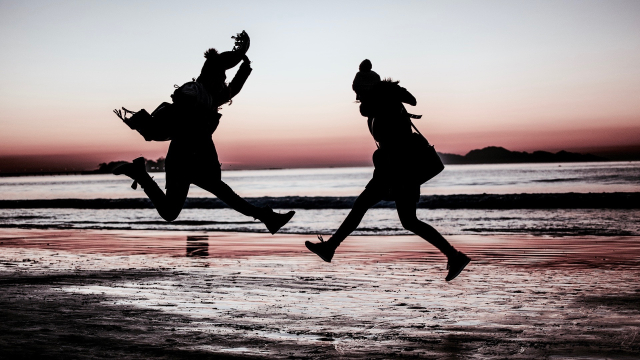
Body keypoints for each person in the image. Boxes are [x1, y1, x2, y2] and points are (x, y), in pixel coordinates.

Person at [112, 31, 295, 234]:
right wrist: (238, 55)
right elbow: (189, 94)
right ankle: (140, 175)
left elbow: (233, 89)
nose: (224, 80)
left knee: (206, 196)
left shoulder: (209, 98)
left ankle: (267, 217)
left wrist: (245, 65)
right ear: (212, 76)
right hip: (183, 157)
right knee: (184, 206)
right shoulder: (194, 91)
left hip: (195, 156)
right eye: (221, 76)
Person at [305, 62, 470, 281]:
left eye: (359, 91)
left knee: (369, 207)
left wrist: (395, 181)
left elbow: (397, 139)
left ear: (368, 89)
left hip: (400, 169)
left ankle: (330, 248)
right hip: (393, 168)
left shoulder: (385, 105)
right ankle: (454, 255)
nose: (357, 96)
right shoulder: (380, 104)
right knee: (405, 219)